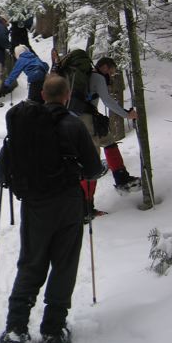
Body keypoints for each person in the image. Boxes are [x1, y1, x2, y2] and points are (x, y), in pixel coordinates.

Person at [0, 74, 103, 343]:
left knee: (31, 262)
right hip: (67, 204)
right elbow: (92, 170)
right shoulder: (73, 124)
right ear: (67, 96)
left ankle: (15, 330)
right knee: (64, 264)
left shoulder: (24, 125)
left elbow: (1, 174)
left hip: (34, 207)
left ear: (43, 94)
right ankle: (53, 330)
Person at [54, 53, 141, 220]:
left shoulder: (82, 77)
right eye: (111, 72)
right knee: (90, 162)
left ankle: (122, 178)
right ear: (105, 67)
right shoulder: (96, 77)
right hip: (85, 121)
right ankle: (86, 209)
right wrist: (126, 114)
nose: (111, 76)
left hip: (76, 118)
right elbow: (108, 101)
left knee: (109, 142)